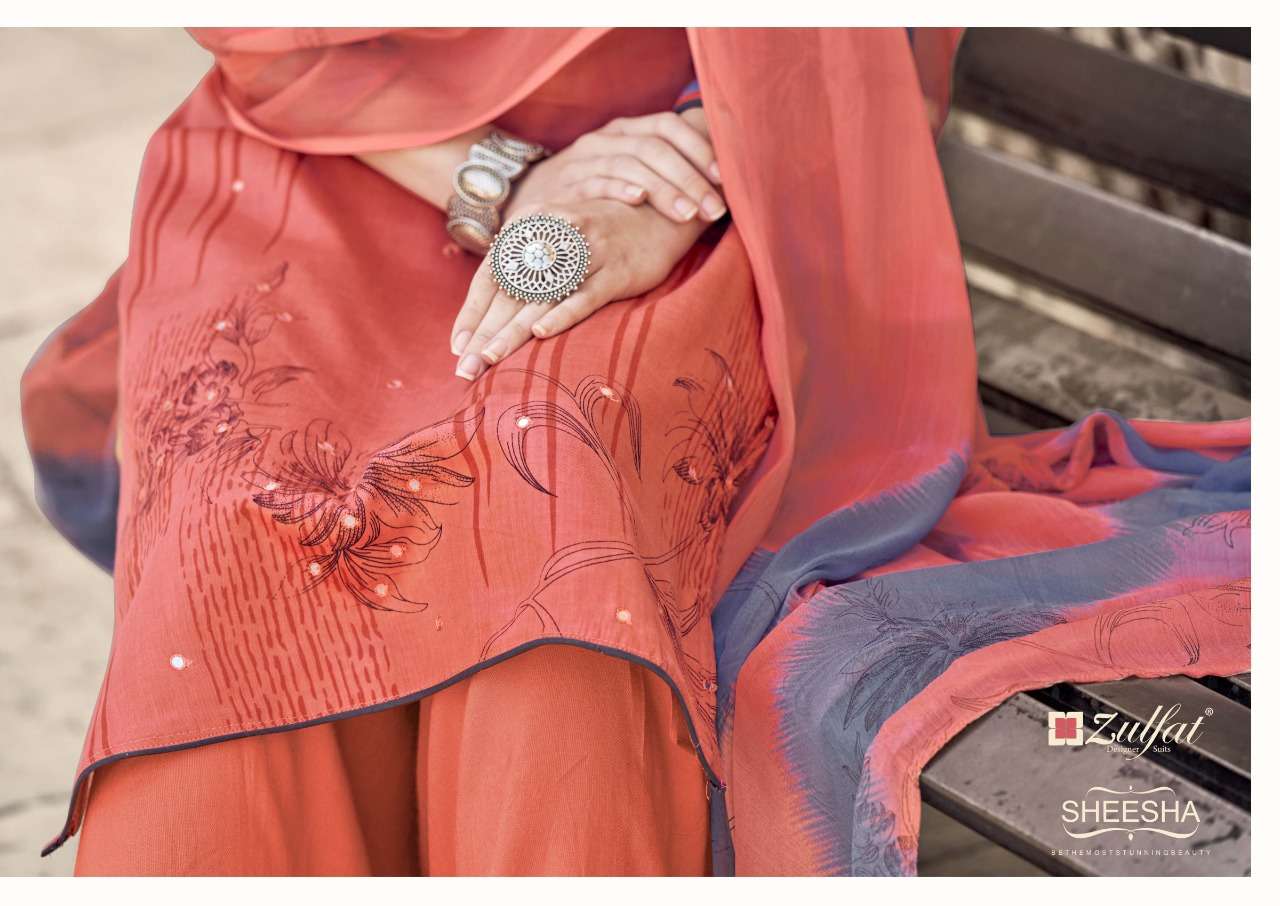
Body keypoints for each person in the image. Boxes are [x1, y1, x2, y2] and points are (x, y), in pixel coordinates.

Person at [21, 28, 1249, 876]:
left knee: (544, 499)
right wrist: (502, 178)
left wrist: (677, 179)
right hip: (345, 149)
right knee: (247, 501)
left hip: (689, 175)